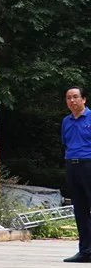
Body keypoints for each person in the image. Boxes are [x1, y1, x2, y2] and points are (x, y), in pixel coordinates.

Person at [62, 87, 91, 263]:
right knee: (79, 209)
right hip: (72, 164)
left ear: (84, 99)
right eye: (68, 98)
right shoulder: (66, 121)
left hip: (89, 163)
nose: (72, 101)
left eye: (75, 97)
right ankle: (85, 250)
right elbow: (65, 143)